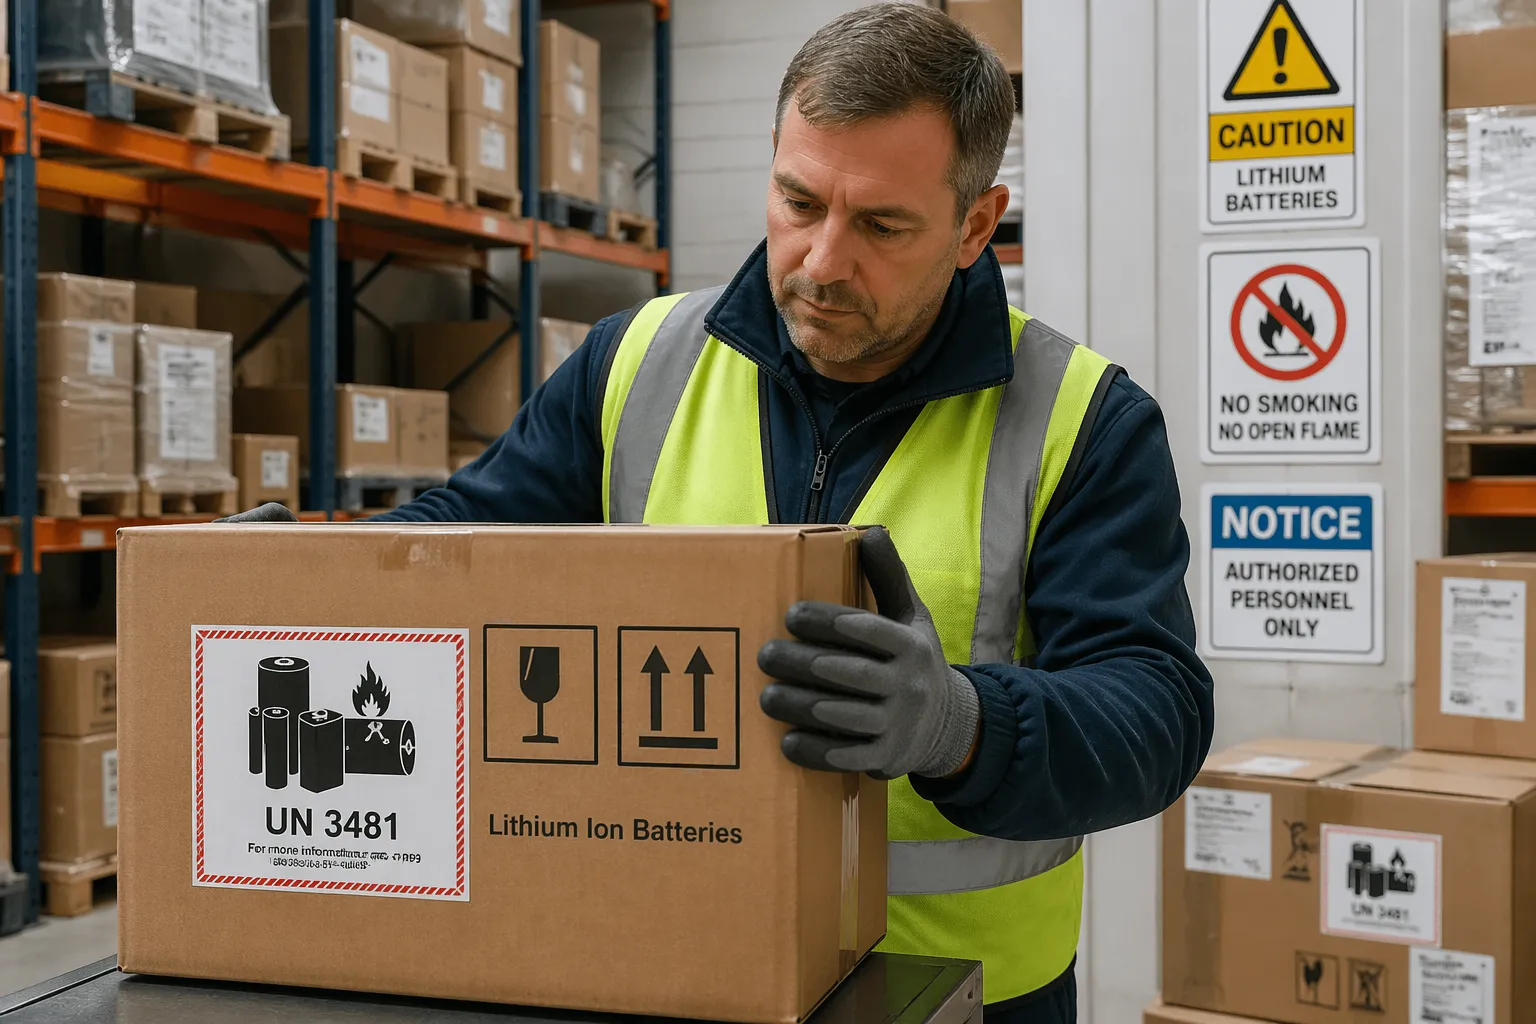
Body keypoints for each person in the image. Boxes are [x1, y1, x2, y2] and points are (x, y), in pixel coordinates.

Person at [230, 5, 1213, 1020]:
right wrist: (305, 576)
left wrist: (962, 725)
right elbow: (462, 544)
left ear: (975, 223)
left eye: (880, 225)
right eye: (798, 201)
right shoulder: (635, 364)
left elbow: (1158, 710)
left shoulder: (1080, 419)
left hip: (957, 994)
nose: (823, 261)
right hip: (664, 968)